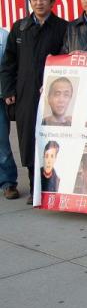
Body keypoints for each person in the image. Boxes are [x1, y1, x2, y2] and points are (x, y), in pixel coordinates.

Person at [0, 0, 68, 204]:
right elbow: (8, 62)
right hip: (26, 94)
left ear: (52, 1)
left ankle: (54, 186)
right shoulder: (20, 28)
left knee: (55, 139)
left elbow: (66, 59)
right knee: (29, 140)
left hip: (54, 94)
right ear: (30, 1)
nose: (39, 3)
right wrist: (9, 90)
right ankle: (34, 187)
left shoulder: (62, 27)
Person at [0, 27, 19, 199]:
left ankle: (8, 182)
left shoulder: (3, 36)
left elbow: (8, 65)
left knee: (2, 143)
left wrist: (8, 91)